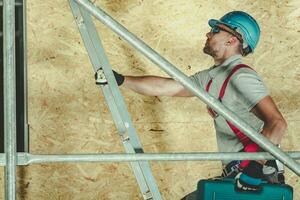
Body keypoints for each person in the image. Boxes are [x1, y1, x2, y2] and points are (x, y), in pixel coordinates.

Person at [107, 11, 287, 197]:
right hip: (238, 174)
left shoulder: (241, 77)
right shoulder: (209, 78)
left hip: (255, 178)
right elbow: (165, 87)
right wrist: (121, 80)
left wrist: (254, 169)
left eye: (216, 30)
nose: (208, 34)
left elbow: (277, 123)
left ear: (232, 40)